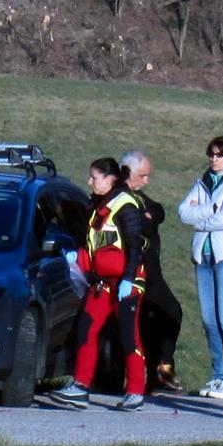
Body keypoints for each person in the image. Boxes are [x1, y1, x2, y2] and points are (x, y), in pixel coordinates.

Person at [51, 157, 147, 411]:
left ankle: (136, 391)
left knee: (129, 336)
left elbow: (134, 246)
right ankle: (80, 386)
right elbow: (96, 246)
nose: (90, 182)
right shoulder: (98, 206)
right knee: (86, 330)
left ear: (110, 178)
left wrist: (128, 279)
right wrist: (79, 261)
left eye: (94, 177)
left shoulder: (126, 205)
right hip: (101, 284)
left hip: (126, 282)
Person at [177, 135, 223, 400]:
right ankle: (218, 376)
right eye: (211, 154)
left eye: (220, 154)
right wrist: (210, 210)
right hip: (204, 258)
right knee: (209, 321)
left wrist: (202, 216)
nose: (214, 159)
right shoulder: (203, 182)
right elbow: (183, 211)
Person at [121, 148, 183, 393]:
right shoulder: (122, 198)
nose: (146, 181)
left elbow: (158, 210)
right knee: (155, 318)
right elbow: (140, 225)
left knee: (169, 313)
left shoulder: (139, 197)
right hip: (134, 274)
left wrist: (151, 215)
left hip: (152, 274)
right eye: (143, 175)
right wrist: (147, 218)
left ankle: (163, 368)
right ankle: (152, 374)